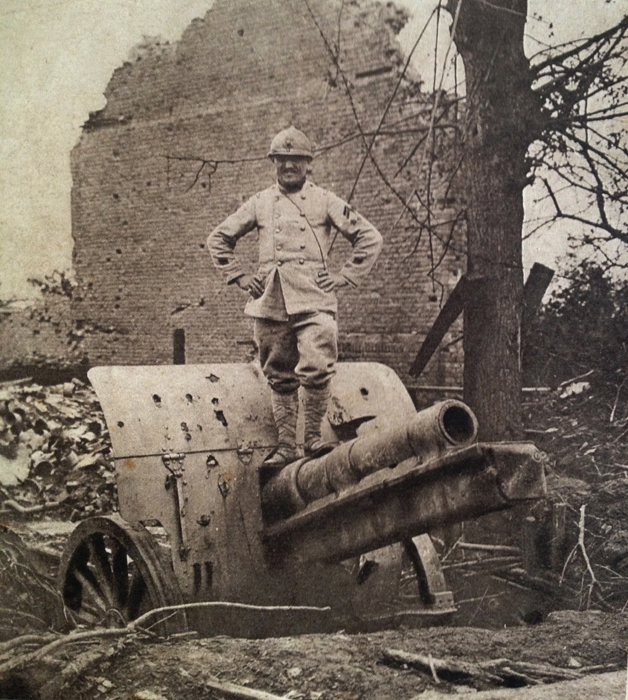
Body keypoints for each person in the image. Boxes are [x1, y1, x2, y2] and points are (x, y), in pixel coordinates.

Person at [208, 126, 383, 468]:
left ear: (308, 164)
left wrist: (343, 276)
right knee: (279, 374)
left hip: (314, 298)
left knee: (318, 364)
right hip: (271, 299)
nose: (288, 166)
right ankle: (287, 446)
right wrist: (240, 276)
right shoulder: (260, 202)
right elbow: (218, 238)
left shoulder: (325, 200)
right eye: (281, 160)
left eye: (296, 160)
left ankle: (314, 439)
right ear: (274, 162)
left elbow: (369, 237)